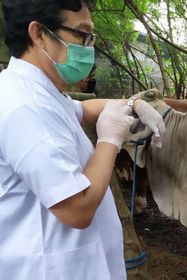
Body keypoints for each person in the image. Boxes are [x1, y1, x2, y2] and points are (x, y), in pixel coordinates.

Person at [0, 1, 165, 279]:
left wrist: (130, 104)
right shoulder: (24, 107)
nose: (88, 47)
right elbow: (77, 209)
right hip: (49, 269)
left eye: (91, 37)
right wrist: (110, 140)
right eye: (81, 34)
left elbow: (82, 110)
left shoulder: (41, 92)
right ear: (39, 33)